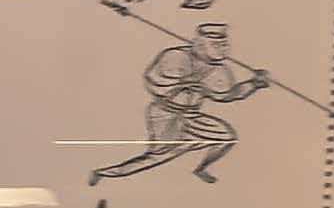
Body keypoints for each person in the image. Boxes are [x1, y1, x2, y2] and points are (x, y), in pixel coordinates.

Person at [91, 24, 269, 186]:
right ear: (200, 44)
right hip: (166, 114)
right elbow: (154, 83)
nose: (222, 49)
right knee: (156, 157)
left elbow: (227, 95)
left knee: (227, 137)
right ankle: (104, 173)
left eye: (224, 44)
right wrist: (183, 83)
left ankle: (201, 169)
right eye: (216, 45)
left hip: (191, 116)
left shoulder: (220, 69)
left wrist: (254, 84)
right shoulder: (175, 56)